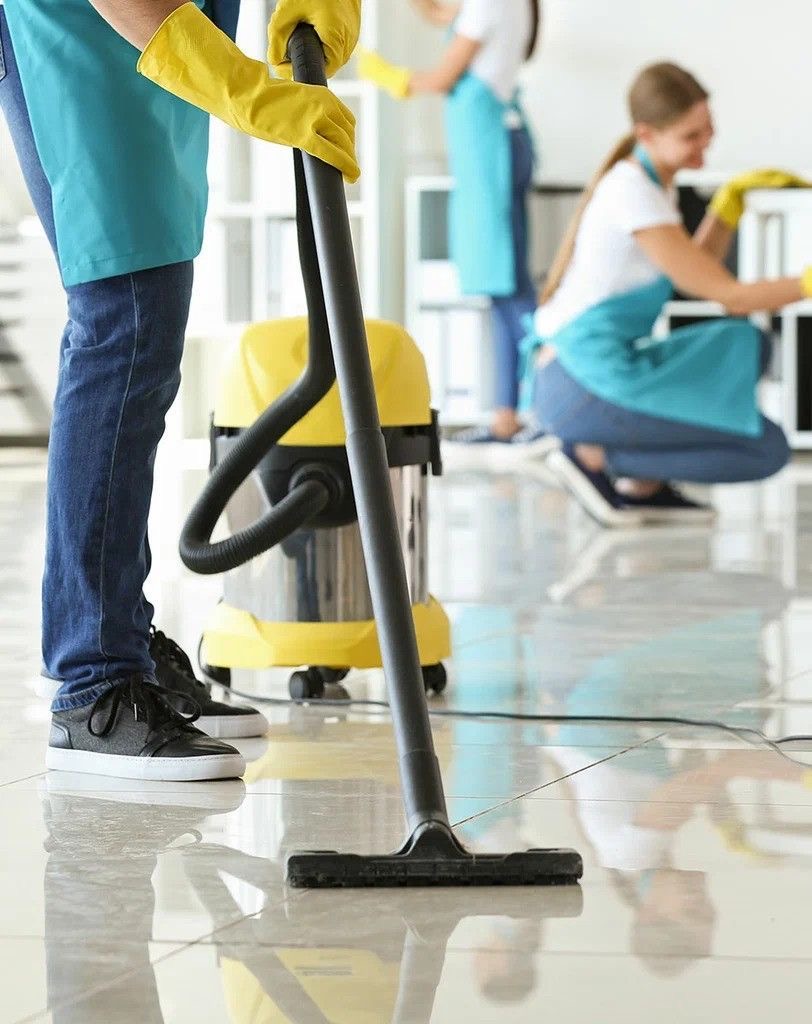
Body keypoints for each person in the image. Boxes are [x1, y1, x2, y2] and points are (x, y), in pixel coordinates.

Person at [0, 0, 360, 781]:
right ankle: (94, 681)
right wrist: (244, 88)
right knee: (123, 314)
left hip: (162, 34)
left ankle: (116, 635)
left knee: (148, 306)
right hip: (82, 26)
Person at [527, 62, 808, 527]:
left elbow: (691, 270)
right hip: (581, 383)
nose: (705, 144)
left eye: (708, 130)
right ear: (647, 133)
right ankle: (597, 456)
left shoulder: (653, 185)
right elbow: (729, 296)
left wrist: (727, 206)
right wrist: (807, 282)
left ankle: (642, 483)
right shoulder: (630, 193)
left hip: (598, 370)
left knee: (745, 345)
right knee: (766, 450)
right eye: (691, 136)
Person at [360, 0, 549, 450]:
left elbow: (442, 77)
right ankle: (507, 418)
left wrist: (390, 76)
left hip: (492, 153)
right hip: (498, 145)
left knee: (508, 290)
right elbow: (442, 14)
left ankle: (548, 409)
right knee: (504, 286)